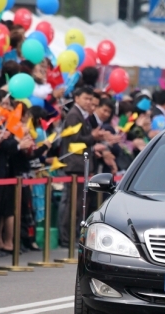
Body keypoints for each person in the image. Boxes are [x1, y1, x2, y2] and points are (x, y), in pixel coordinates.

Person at [58, 86, 106, 247]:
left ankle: (71, 236)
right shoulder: (73, 115)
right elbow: (74, 140)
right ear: (77, 98)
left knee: (78, 204)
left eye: (90, 99)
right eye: (86, 99)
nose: (88, 102)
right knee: (73, 203)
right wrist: (92, 137)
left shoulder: (81, 115)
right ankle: (66, 237)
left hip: (80, 164)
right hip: (75, 164)